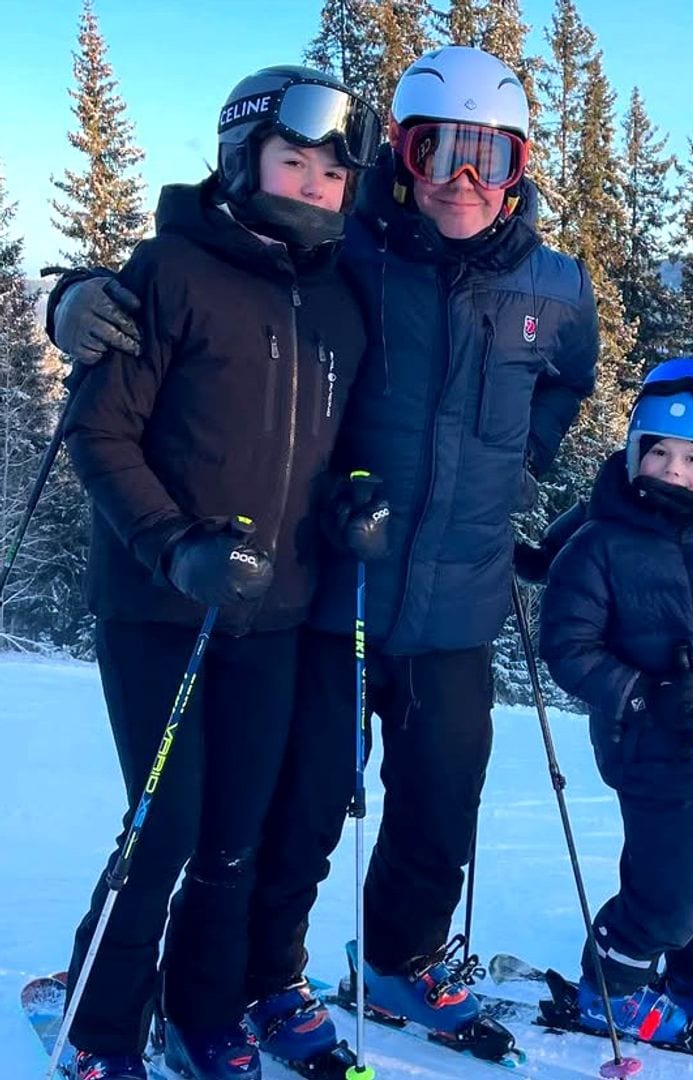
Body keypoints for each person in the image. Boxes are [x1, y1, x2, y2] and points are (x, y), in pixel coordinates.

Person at [50, 46, 600, 1054]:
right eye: (441, 152)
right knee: (278, 813)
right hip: (317, 596)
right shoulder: (356, 255)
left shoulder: (544, 285)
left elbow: (569, 374)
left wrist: (528, 446)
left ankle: (357, 969)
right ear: (405, 155)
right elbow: (212, 266)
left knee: (420, 803)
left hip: (430, 598)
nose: (463, 182)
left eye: (489, 157)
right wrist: (75, 298)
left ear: (521, 166)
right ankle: (212, 990)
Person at [58, 67, 383, 1080]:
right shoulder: (170, 273)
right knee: (166, 833)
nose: (314, 188)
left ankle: (205, 1011)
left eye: (334, 175)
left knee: (236, 839)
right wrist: (175, 543)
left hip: (273, 612)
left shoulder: (340, 298)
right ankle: (100, 1026)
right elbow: (97, 429)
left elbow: (339, 443)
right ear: (243, 159)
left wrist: (355, 498)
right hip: (162, 603)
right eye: (295, 163)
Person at [538, 359, 693, 1049]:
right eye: (658, 452)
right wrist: (645, 696)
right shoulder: (599, 544)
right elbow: (569, 646)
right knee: (671, 897)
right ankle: (610, 988)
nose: (673, 470)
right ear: (634, 455)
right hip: (650, 749)